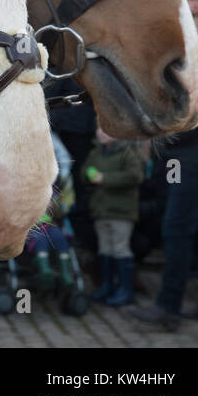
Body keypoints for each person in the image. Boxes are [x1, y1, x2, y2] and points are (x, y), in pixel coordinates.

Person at [131, 19, 198, 329]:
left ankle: (169, 309)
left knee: (177, 230)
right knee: (195, 231)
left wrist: (153, 130)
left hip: (196, 164)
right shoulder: (192, 69)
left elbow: (190, 122)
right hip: (190, 163)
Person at [84, 126, 143, 306]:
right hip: (101, 210)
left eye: (107, 130)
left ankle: (126, 290)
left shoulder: (128, 152)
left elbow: (135, 176)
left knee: (120, 248)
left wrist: (105, 178)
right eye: (99, 129)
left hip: (121, 211)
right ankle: (107, 285)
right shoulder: (96, 152)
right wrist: (89, 175)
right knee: (105, 249)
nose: (101, 133)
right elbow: (85, 170)